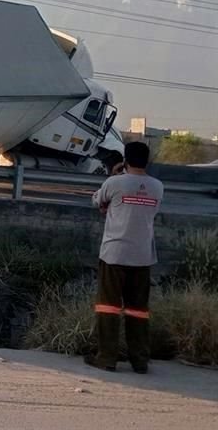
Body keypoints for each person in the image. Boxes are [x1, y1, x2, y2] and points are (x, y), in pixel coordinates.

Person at [86, 141, 163, 373]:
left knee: (108, 306)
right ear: (147, 160)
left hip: (114, 253)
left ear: (125, 160)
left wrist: (116, 176)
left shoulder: (115, 182)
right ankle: (139, 360)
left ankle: (107, 357)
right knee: (138, 309)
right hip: (142, 255)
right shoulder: (157, 187)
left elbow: (97, 200)